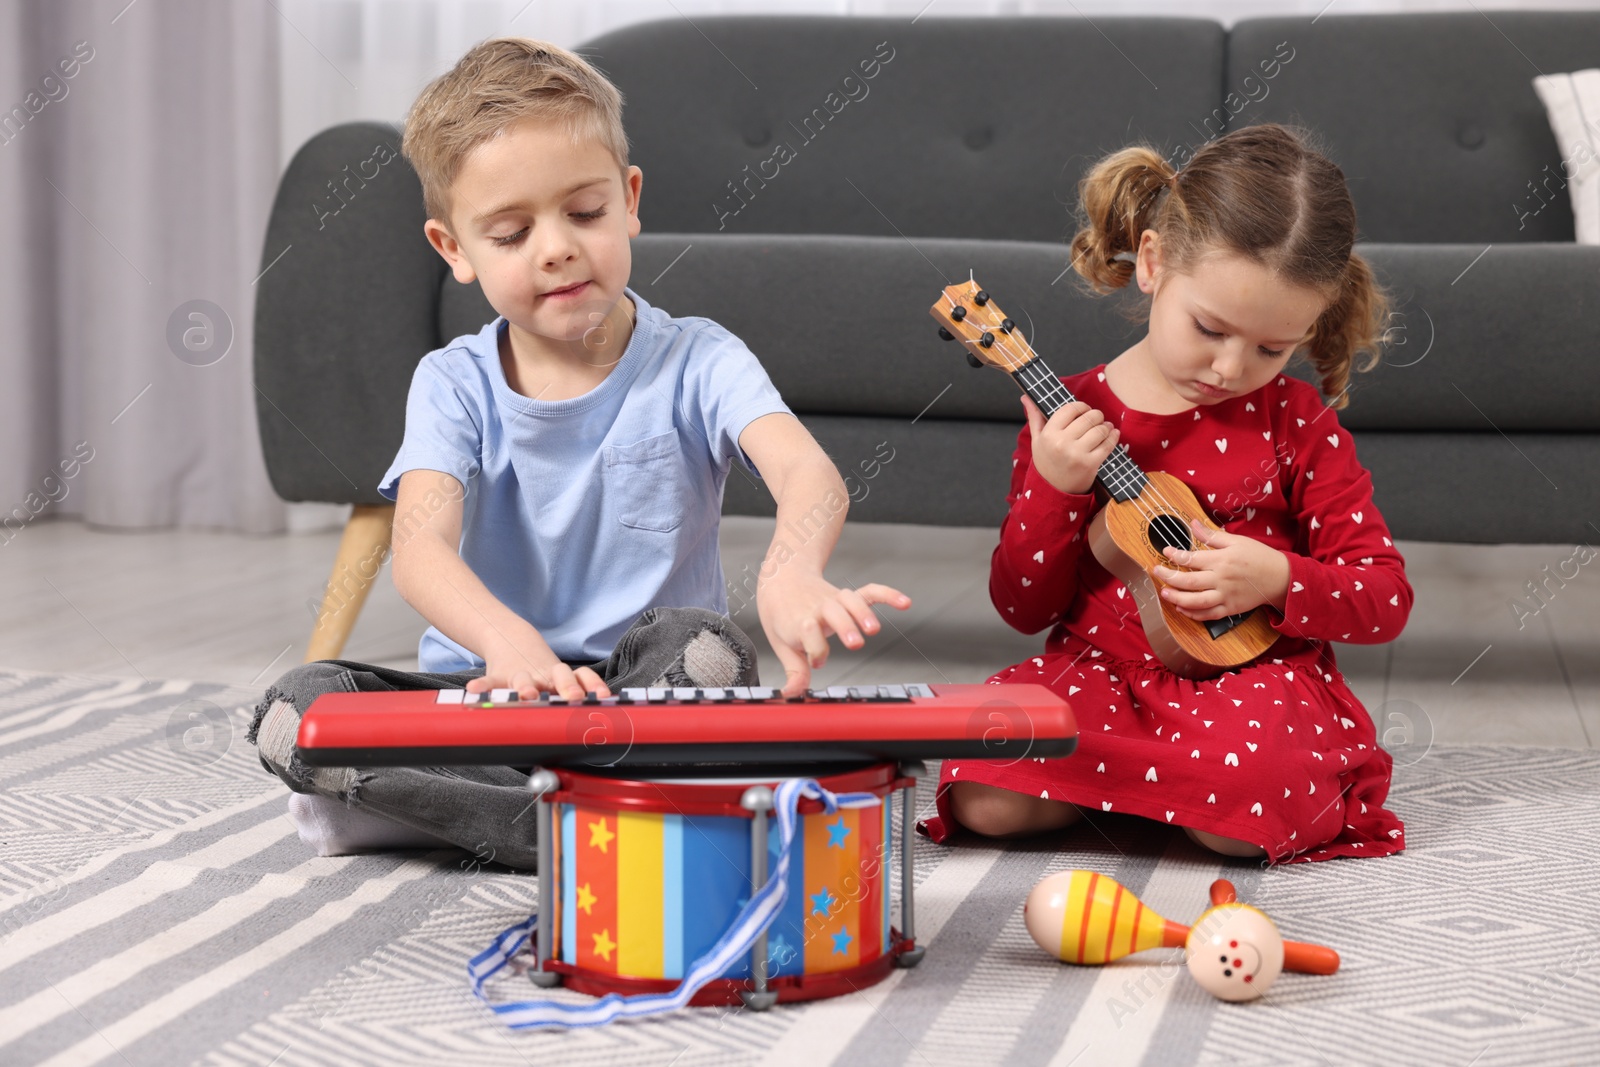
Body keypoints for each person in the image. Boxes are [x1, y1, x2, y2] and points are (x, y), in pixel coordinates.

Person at [249, 38, 910, 870]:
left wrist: (789, 569)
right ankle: (600, 810)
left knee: (707, 652)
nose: (556, 247)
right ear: (455, 250)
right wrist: (506, 643)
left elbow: (807, 473)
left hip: (640, 694)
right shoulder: (450, 382)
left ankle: (457, 810)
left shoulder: (701, 358)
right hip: (488, 693)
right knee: (293, 711)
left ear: (629, 201)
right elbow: (419, 550)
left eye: (585, 213)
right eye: (512, 231)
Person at [923, 123, 1411, 864]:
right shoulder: (1071, 415)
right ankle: (1171, 793)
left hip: (1250, 682)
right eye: (1209, 327)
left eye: (1271, 348)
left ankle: (1157, 794)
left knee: (1258, 787)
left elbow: (1385, 596)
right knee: (980, 790)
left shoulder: (1296, 421)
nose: (1228, 366)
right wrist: (1055, 488)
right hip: (1099, 674)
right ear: (1152, 262)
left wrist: (1278, 576)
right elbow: (1022, 605)